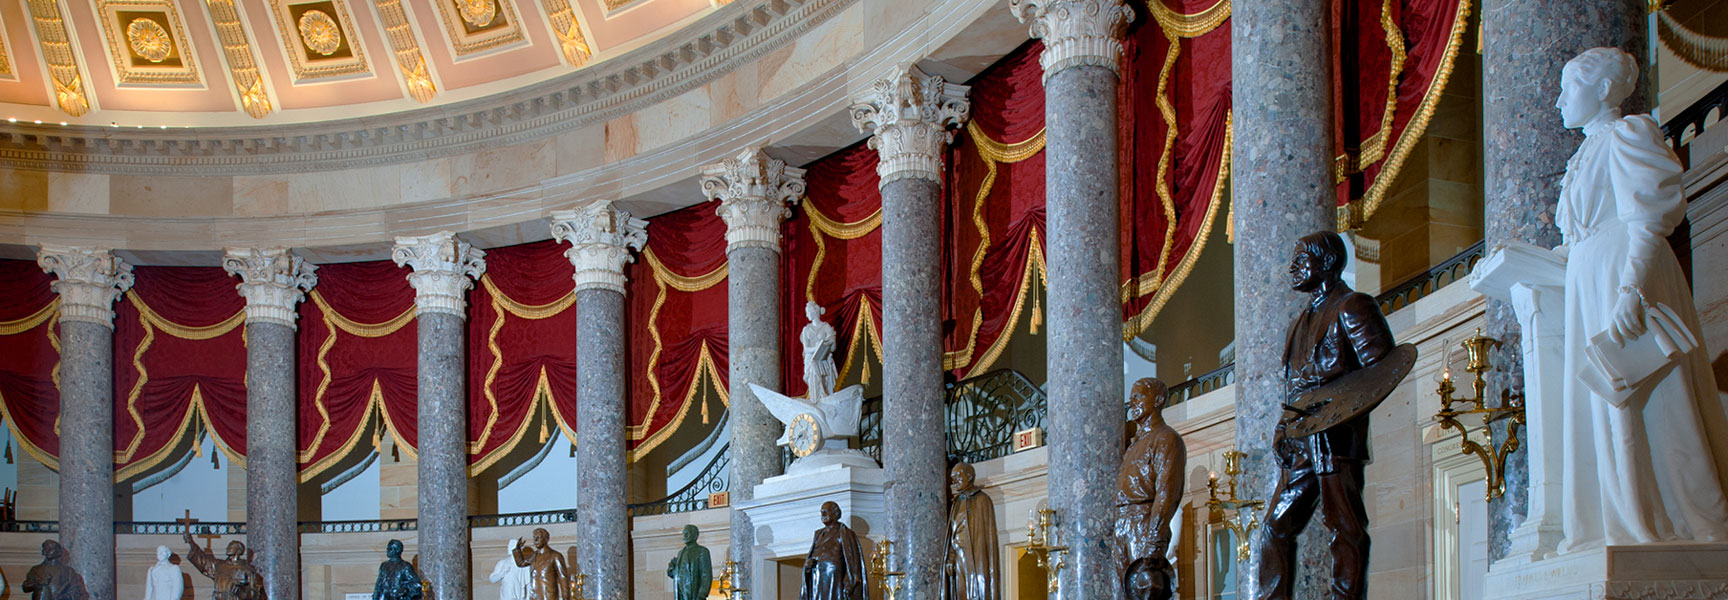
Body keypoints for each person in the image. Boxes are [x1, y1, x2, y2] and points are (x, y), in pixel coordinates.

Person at [1550, 47, 1728, 549]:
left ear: (1604, 88)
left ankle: (1665, 517)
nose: (1561, 101)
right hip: (1590, 276)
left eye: (1570, 88)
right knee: (1602, 401)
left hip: (1622, 271)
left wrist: (1632, 288)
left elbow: (1649, 216)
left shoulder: (1628, 134)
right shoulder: (1582, 154)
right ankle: (1613, 517)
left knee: (1643, 395)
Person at [1256, 231, 1396, 600]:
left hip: (1335, 438)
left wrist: (1333, 396)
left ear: (1329, 263)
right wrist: (1281, 433)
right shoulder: (1296, 324)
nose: (1292, 267)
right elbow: (1292, 393)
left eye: (1302, 259)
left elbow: (1381, 370)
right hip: (1301, 439)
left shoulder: (1353, 306)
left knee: (1344, 528)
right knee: (1274, 527)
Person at [1116, 377, 1185, 600]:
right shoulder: (1134, 443)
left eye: (1138, 396)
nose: (1132, 402)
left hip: (1143, 524)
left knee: (1146, 590)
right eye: (1131, 397)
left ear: (1158, 400)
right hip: (1122, 524)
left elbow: (1167, 491)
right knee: (1122, 593)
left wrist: (1155, 540)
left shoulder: (1166, 439)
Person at [946, 462, 999, 600]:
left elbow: (988, 538)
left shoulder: (982, 500)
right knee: (960, 594)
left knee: (975, 593)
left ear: (969, 476)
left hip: (974, 557)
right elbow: (952, 533)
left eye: (958, 476)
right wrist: (951, 557)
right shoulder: (956, 503)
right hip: (959, 557)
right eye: (953, 477)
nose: (954, 481)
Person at [799, 501, 864, 600]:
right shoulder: (818, 534)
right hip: (817, 579)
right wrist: (807, 566)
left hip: (835, 580)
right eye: (821, 512)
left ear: (836, 513)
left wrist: (850, 583)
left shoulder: (844, 533)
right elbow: (811, 556)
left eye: (826, 512)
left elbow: (853, 562)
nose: (823, 515)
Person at [182, 533, 266, 600]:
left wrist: (239, 591)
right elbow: (204, 562)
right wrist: (191, 543)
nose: (229, 549)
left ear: (237, 551)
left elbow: (254, 593)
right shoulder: (220, 565)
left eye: (232, 548)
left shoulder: (246, 570)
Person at [514, 528, 572, 600]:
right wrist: (517, 549)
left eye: (538, 537)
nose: (535, 540)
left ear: (546, 539)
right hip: (534, 595)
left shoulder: (555, 556)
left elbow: (563, 578)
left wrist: (566, 598)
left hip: (548, 595)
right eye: (534, 538)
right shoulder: (534, 555)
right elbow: (521, 563)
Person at [21, 539, 87, 600]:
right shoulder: (36, 569)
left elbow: (76, 591)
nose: (47, 551)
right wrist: (37, 584)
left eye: (51, 549)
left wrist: (63, 597)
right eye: (45, 549)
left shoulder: (68, 571)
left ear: (58, 551)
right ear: (43, 552)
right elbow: (25, 588)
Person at [801, 301, 839, 398]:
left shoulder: (825, 327)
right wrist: (816, 348)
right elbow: (806, 349)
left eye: (807, 312)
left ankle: (824, 393)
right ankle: (819, 395)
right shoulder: (806, 329)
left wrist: (831, 342)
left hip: (823, 357)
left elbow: (833, 348)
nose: (806, 314)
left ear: (813, 312)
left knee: (818, 364)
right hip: (811, 358)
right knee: (813, 365)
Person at [665, 524, 712, 600]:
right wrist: (672, 570)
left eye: (687, 533)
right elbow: (681, 573)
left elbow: (706, 575)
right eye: (684, 533)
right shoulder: (681, 553)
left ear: (695, 535)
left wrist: (702, 594)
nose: (684, 535)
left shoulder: (702, 551)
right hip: (680, 594)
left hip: (694, 594)